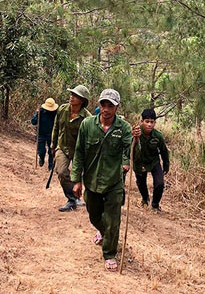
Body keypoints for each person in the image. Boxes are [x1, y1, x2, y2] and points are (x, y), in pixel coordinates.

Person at [71, 88, 140, 272]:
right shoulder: (87, 125)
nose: (106, 109)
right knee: (94, 215)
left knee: (113, 220)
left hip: (114, 182)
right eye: (104, 104)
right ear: (99, 105)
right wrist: (76, 180)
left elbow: (131, 153)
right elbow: (79, 153)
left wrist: (136, 141)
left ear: (117, 108)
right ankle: (104, 232)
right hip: (92, 181)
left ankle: (109, 253)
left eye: (111, 106)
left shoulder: (124, 128)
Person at [51, 84, 91, 212]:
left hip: (80, 150)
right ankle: (71, 199)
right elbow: (56, 128)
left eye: (76, 96)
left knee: (78, 175)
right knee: (62, 172)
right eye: (71, 94)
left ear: (82, 100)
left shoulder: (87, 118)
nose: (72, 97)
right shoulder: (62, 109)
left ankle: (78, 196)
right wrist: (53, 146)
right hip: (63, 146)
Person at [133, 108, 170, 212]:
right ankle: (145, 199)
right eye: (147, 121)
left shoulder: (158, 136)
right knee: (141, 183)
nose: (149, 124)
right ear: (142, 122)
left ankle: (155, 205)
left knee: (160, 183)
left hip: (154, 161)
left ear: (155, 123)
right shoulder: (136, 133)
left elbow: (164, 151)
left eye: (152, 122)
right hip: (139, 162)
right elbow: (128, 149)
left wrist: (166, 165)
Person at [31, 97, 59, 168]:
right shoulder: (41, 111)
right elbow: (33, 122)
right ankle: (42, 158)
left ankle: (50, 166)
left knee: (51, 151)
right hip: (41, 134)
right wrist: (37, 113)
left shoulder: (56, 113)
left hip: (51, 134)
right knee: (41, 150)